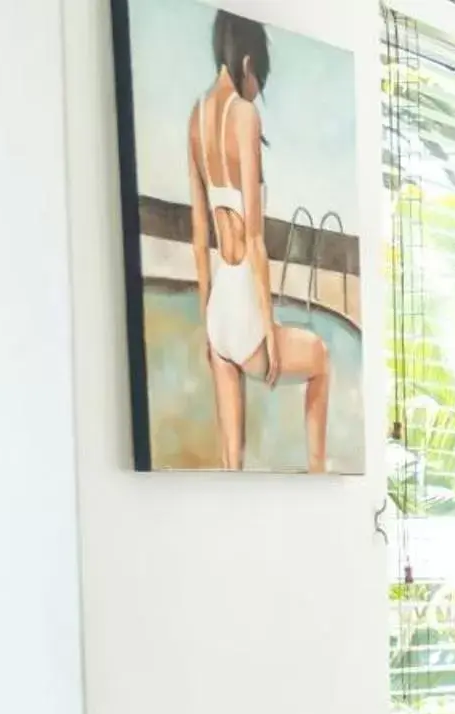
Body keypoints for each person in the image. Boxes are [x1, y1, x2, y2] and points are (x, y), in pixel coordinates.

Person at [187, 11, 331, 471]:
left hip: (217, 316)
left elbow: (198, 235)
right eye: (258, 80)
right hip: (246, 308)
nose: (256, 91)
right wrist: (268, 326)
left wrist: (207, 330)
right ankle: (316, 472)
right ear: (248, 63)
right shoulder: (243, 115)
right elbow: (253, 237)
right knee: (322, 359)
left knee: (233, 464)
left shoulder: (196, 118)